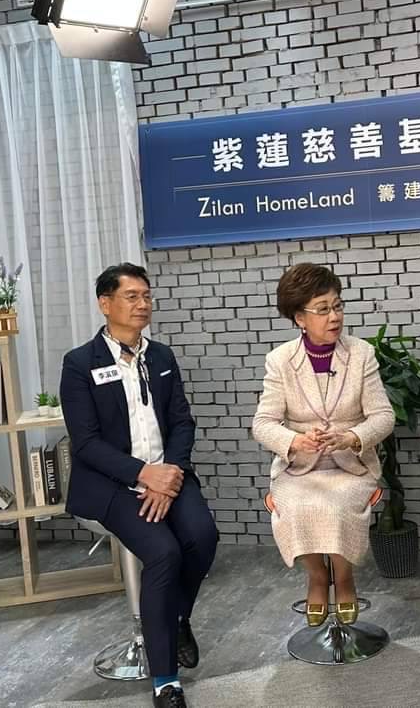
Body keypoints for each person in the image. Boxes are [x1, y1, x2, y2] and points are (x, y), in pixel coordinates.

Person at [60, 263, 217, 708]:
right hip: (113, 483)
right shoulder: (80, 363)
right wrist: (142, 474)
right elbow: (85, 443)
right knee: (164, 553)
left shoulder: (161, 357)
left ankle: (178, 618)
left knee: (203, 536)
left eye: (146, 296)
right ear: (105, 303)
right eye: (132, 296)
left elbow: (182, 422)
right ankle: (165, 681)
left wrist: (169, 474)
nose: (143, 304)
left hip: (168, 474)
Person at [252, 263, 396, 626]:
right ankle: (317, 577)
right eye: (323, 309)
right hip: (299, 469)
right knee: (296, 506)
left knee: (335, 506)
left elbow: (383, 416)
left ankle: (344, 579)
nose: (334, 316)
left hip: (351, 466)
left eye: (338, 306)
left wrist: (351, 437)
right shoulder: (280, 361)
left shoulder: (361, 354)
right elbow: (262, 424)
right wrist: (296, 441)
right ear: (300, 317)